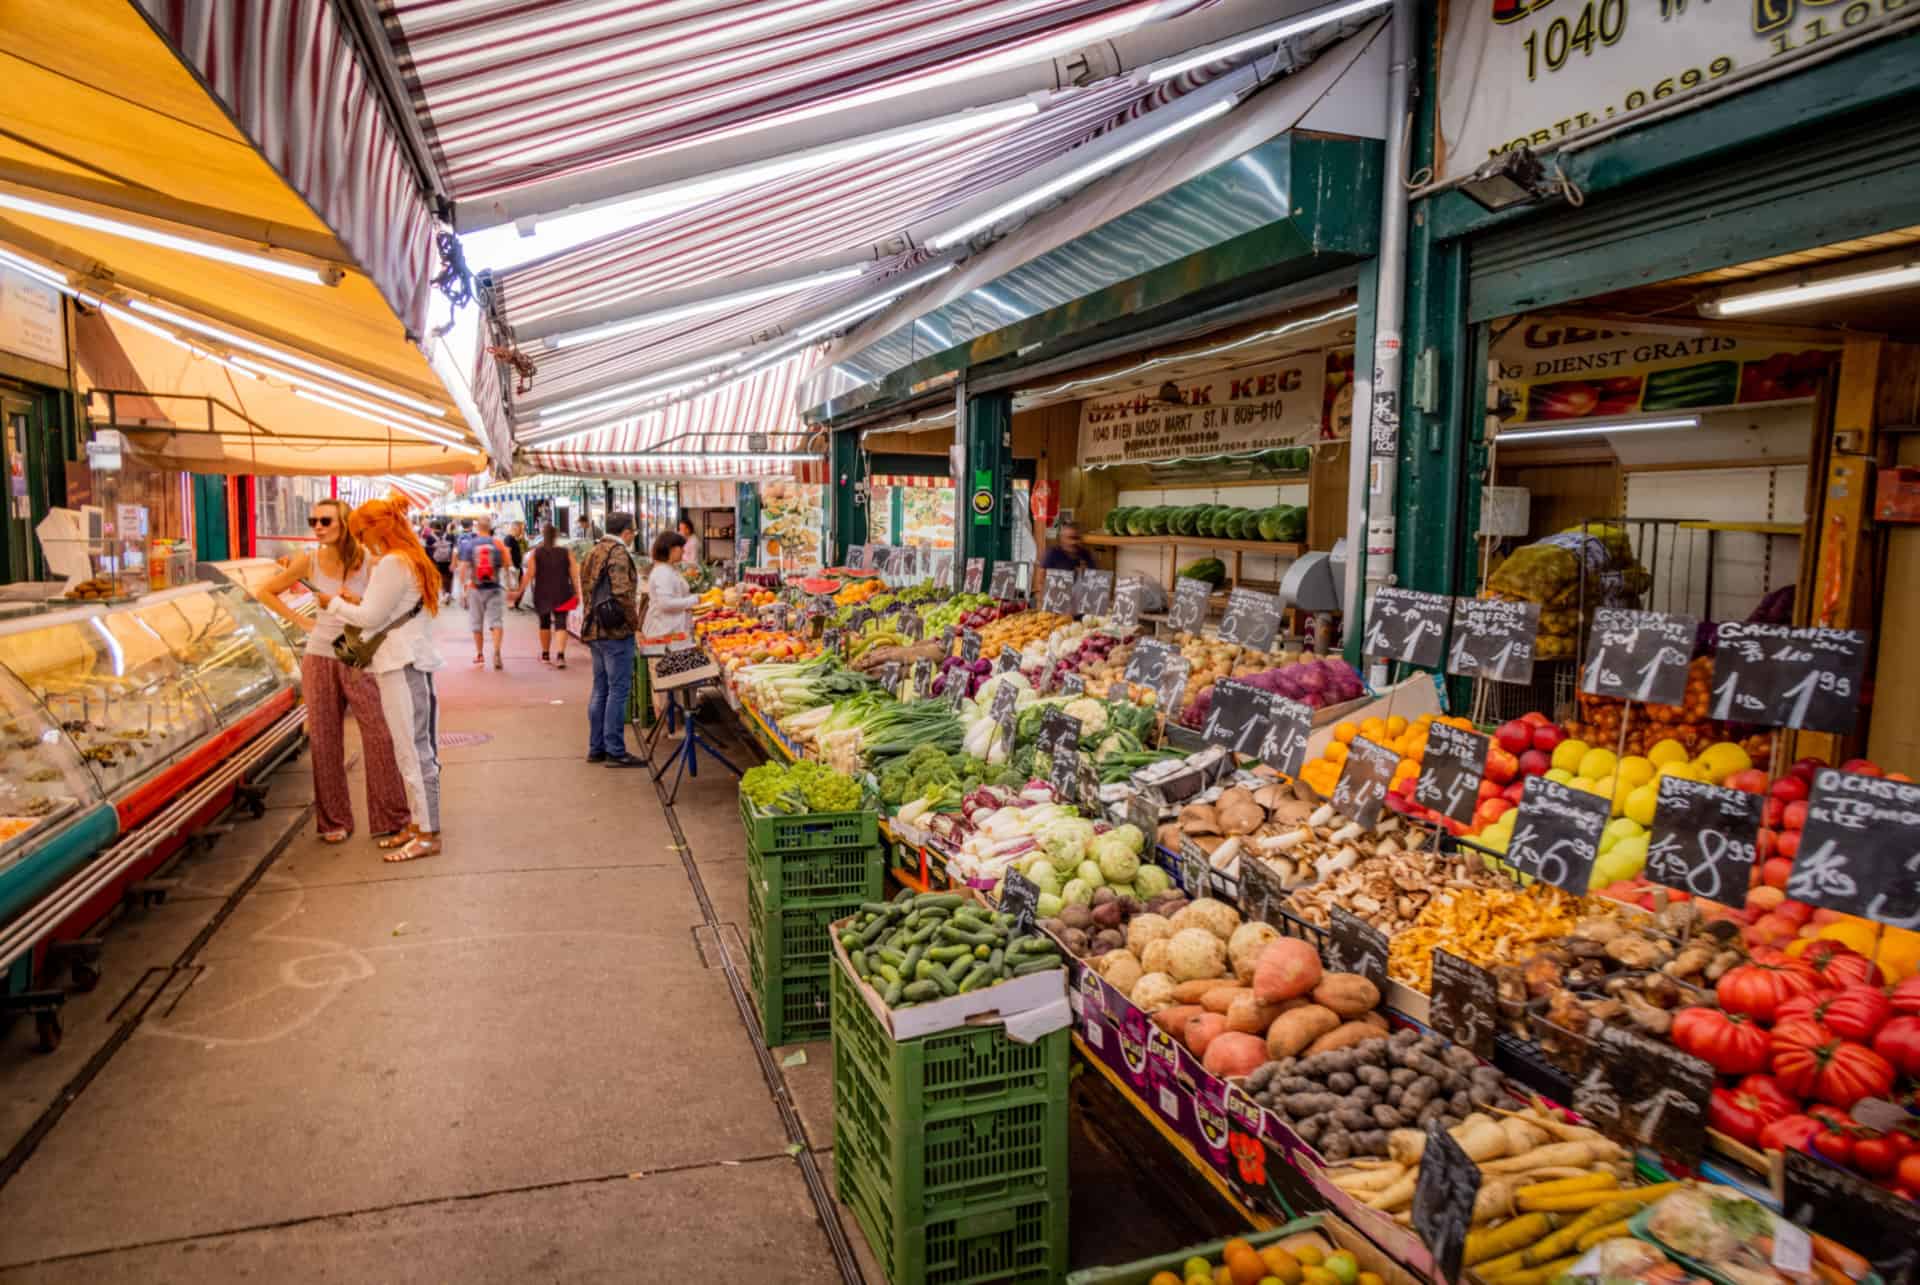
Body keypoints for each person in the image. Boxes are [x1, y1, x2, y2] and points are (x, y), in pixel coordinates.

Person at [255, 498, 411, 845]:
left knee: (380, 735)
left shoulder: (371, 562)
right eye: (313, 520)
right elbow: (265, 591)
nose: (318, 527)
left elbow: (384, 609)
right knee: (324, 740)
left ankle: (391, 816)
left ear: (344, 523)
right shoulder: (308, 560)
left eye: (325, 520)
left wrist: (355, 604)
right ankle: (334, 821)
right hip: (319, 655)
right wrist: (301, 621)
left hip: (359, 657)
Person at [318, 495, 445, 863]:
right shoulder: (408, 559)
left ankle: (428, 834)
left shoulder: (393, 562)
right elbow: (382, 610)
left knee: (413, 750)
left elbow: (371, 617)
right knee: (413, 748)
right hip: (407, 663)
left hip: (401, 665)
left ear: (376, 529)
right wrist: (353, 602)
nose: (360, 541)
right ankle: (420, 824)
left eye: (360, 532)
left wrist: (334, 604)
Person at [579, 512, 645, 768]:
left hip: (595, 630)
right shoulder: (617, 552)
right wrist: (635, 623)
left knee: (600, 689)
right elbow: (621, 593)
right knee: (618, 691)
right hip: (614, 632)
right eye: (634, 532)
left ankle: (596, 748)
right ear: (626, 531)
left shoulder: (594, 551)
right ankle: (615, 751)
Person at [511, 523, 581, 668]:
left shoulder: (536, 553)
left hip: (542, 592)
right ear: (556, 537)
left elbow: (529, 574)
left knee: (544, 623)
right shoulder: (566, 552)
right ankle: (560, 655)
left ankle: (545, 654)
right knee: (561, 623)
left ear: (543, 536)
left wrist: (519, 592)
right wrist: (578, 592)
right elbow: (574, 574)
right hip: (562, 591)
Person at [460, 517, 510, 669]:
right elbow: (508, 565)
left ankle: (480, 655)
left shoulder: (471, 544)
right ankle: (496, 651)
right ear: (490, 528)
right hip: (494, 588)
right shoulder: (498, 543)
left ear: (477, 528)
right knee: (496, 621)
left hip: (475, 588)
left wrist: (464, 587)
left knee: (476, 622)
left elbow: (464, 568)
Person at [429, 523, 455, 603]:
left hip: (436, 561)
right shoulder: (450, 536)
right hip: (448, 560)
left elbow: (427, 551)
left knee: (438, 578)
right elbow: (454, 549)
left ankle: (441, 595)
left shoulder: (430, 537)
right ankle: (448, 594)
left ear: (433, 528)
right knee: (448, 578)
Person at [503, 521, 527, 596]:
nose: (521, 532)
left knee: (518, 586)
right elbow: (507, 552)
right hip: (512, 568)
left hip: (516, 566)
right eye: (521, 530)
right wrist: (511, 566)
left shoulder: (513, 539)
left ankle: (514, 603)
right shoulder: (509, 539)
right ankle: (512, 604)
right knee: (513, 587)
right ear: (515, 529)